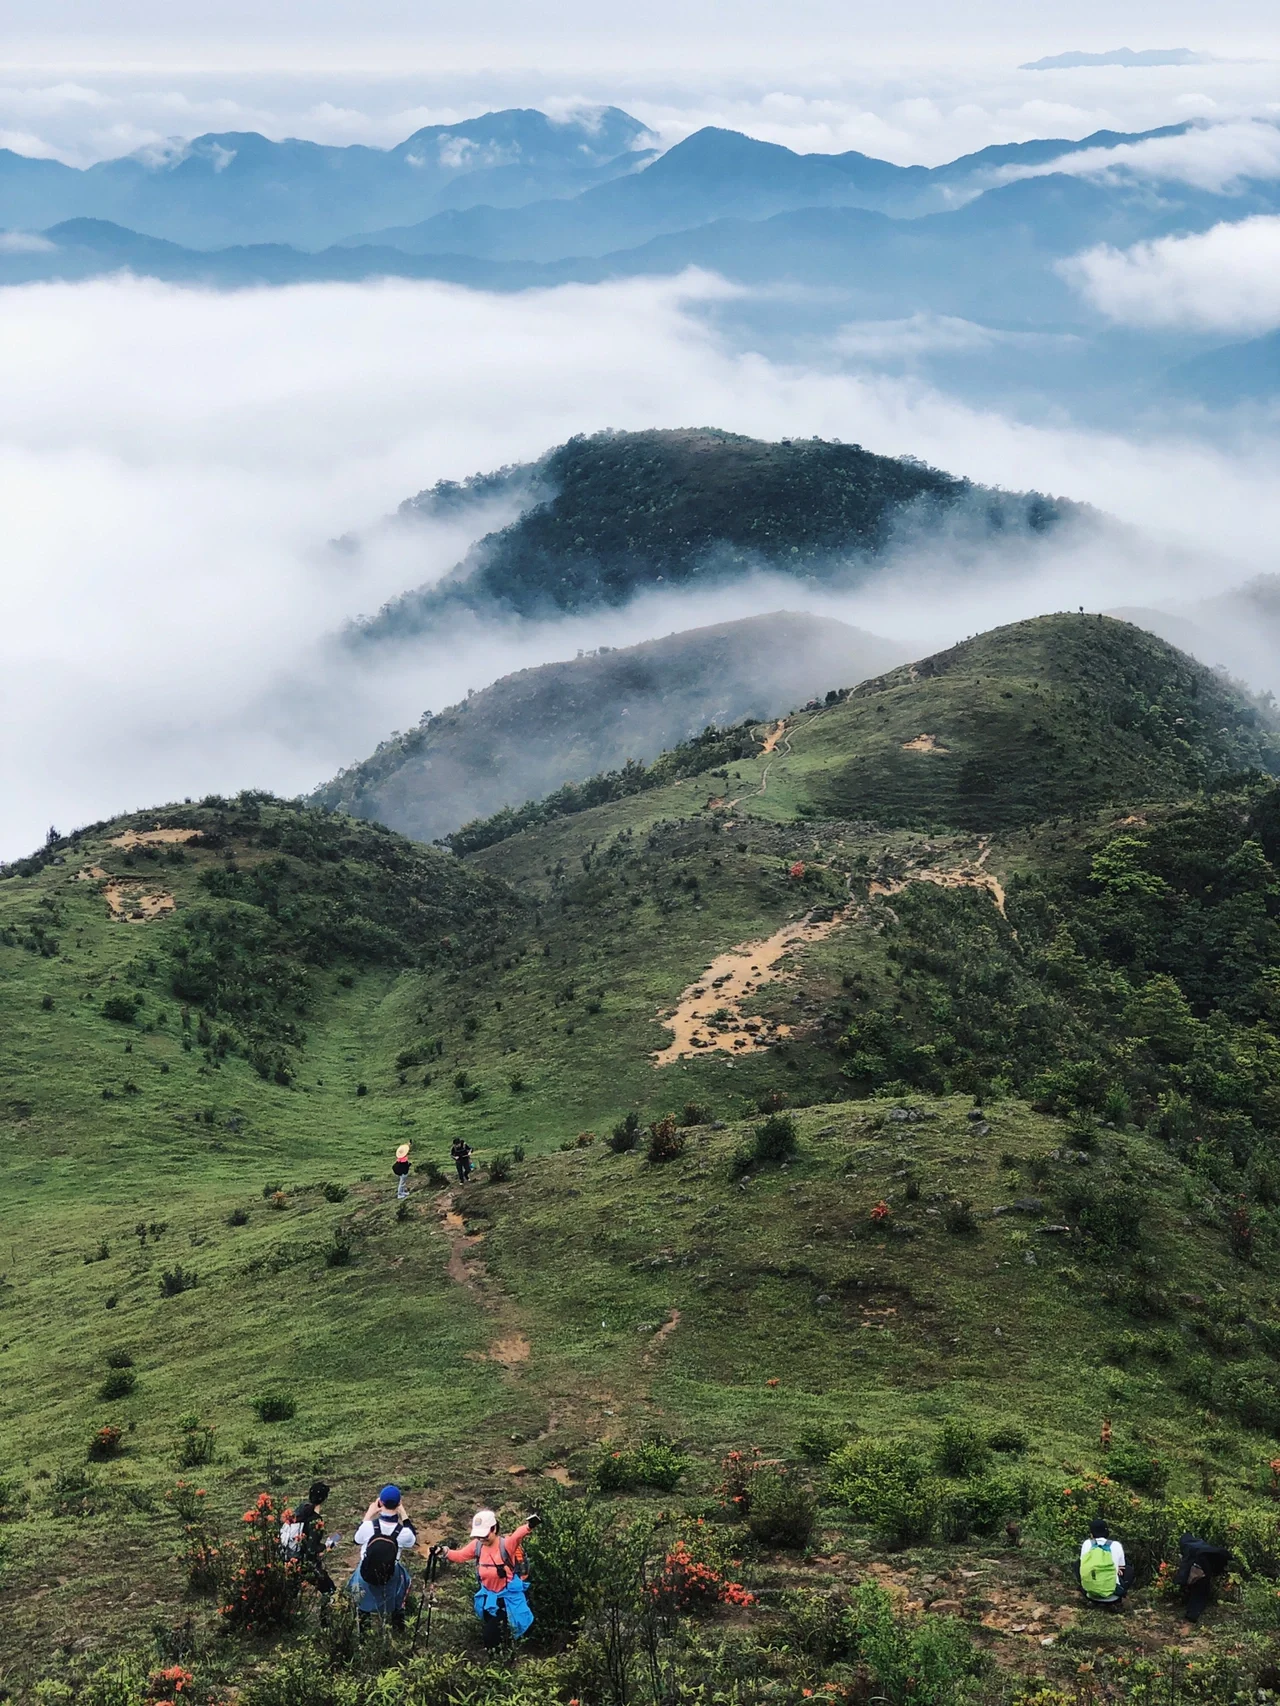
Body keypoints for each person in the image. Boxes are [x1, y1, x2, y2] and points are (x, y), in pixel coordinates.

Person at [437, 1507, 540, 1648]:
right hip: (488, 1598)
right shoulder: (477, 1546)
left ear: (494, 1529)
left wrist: (529, 1526)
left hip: (507, 1599)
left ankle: (501, 1659)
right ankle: (505, 1655)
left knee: (491, 1636)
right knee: (498, 1633)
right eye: (478, 1536)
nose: (481, 1539)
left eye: (485, 1535)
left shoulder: (506, 1545)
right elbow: (460, 1556)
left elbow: (517, 1536)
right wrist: (444, 1551)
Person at [349, 1484, 418, 1630]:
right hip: (390, 1575)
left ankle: (363, 1627)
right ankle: (398, 1625)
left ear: (380, 1502)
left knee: (357, 1581)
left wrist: (368, 1514)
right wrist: (403, 1514)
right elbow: (412, 1539)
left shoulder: (368, 1527)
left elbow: (356, 1539)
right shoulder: (403, 1533)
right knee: (403, 1580)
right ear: (399, 1503)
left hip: (365, 1574)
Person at [280, 1480, 339, 1611]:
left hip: (289, 1560)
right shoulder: (315, 1520)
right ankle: (325, 1623)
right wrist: (325, 1547)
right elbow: (311, 1549)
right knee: (330, 1591)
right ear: (324, 1498)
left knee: (289, 1596)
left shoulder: (298, 1513)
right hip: (306, 1564)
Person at [1174, 1533, 1231, 1623]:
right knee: (1201, 1591)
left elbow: (1186, 1564)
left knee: (1199, 1591)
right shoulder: (1199, 1544)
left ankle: (1191, 1615)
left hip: (1199, 1566)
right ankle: (1192, 1613)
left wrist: (1180, 1581)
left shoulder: (1188, 1547)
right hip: (1206, 1566)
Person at [1079, 1519, 1134, 1607]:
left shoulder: (1087, 1544)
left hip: (1090, 1593)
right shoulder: (1116, 1545)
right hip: (1112, 1596)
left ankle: (1087, 1590)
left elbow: (1083, 1565)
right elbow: (1122, 1567)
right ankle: (1119, 1597)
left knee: (1078, 1564)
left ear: (1092, 1533)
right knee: (1128, 1569)